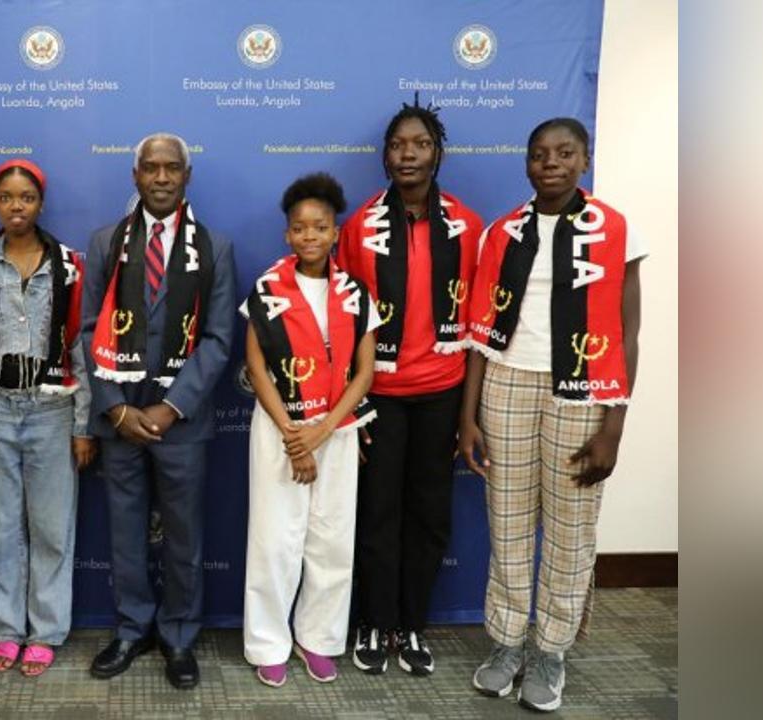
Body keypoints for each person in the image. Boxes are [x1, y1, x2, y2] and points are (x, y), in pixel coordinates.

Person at [459, 118, 645, 712]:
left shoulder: (615, 228)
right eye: (540, 154)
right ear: (527, 163)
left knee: (570, 528)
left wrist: (614, 426)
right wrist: (468, 416)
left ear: (584, 160)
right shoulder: (503, 232)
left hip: (583, 389)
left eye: (565, 153)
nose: (552, 164)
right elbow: (480, 331)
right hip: (506, 384)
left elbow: (628, 333)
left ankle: (552, 650)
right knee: (508, 521)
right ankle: (508, 642)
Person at [82, 133, 236, 689]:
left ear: (187, 176)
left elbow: (218, 339)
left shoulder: (214, 247)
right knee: (125, 534)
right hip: (121, 420)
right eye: (152, 168)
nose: (162, 178)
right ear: (136, 176)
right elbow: (87, 330)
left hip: (181, 423)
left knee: (183, 537)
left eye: (173, 168)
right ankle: (131, 630)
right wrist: (115, 409)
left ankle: (178, 636)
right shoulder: (106, 243)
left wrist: (172, 407)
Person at [337, 101, 483, 676]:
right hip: (379, 397)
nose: (408, 154)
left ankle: (413, 625)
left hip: (442, 393)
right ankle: (375, 622)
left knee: (429, 514)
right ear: (385, 155)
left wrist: (467, 416)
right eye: (398, 144)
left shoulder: (468, 226)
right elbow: (344, 323)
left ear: (437, 153)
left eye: (420, 144)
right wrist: (351, 409)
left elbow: (478, 324)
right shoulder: (360, 226)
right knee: (377, 513)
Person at [0, 159, 97, 677]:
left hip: (52, 410)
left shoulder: (68, 267)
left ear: (40, 204)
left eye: (27, 198)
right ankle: (7, 630)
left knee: (52, 528)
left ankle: (46, 632)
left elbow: (79, 347)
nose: (17, 206)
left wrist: (82, 426)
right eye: (8, 198)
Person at [241, 173, 380, 687]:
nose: (310, 236)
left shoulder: (354, 292)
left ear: (335, 232)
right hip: (280, 430)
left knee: (331, 540)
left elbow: (365, 373)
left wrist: (322, 433)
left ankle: (318, 637)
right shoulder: (267, 288)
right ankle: (268, 641)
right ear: (287, 234)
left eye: (320, 227)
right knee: (275, 541)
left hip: (337, 430)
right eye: (300, 228)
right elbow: (256, 367)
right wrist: (293, 435)